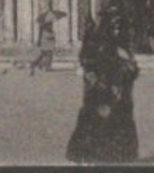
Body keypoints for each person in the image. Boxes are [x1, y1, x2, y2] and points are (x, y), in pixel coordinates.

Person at [66, 9, 140, 164]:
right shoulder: (97, 44)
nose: (116, 30)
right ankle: (88, 154)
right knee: (95, 120)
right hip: (101, 90)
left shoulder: (121, 46)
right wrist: (96, 82)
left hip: (119, 91)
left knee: (119, 120)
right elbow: (88, 65)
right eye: (113, 26)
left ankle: (118, 154)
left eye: (119, 27)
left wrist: (129, 68)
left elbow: (132, 71)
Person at [32, 9, 59, 76]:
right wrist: (52, 35)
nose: (51, 25)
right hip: (46, 45)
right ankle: (44, 66)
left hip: (48, 45)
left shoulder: (48, 30)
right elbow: (47, 36)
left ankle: (42, 65)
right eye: (50, 24)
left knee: (46, 56)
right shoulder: (45, 30)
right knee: (47, 56)